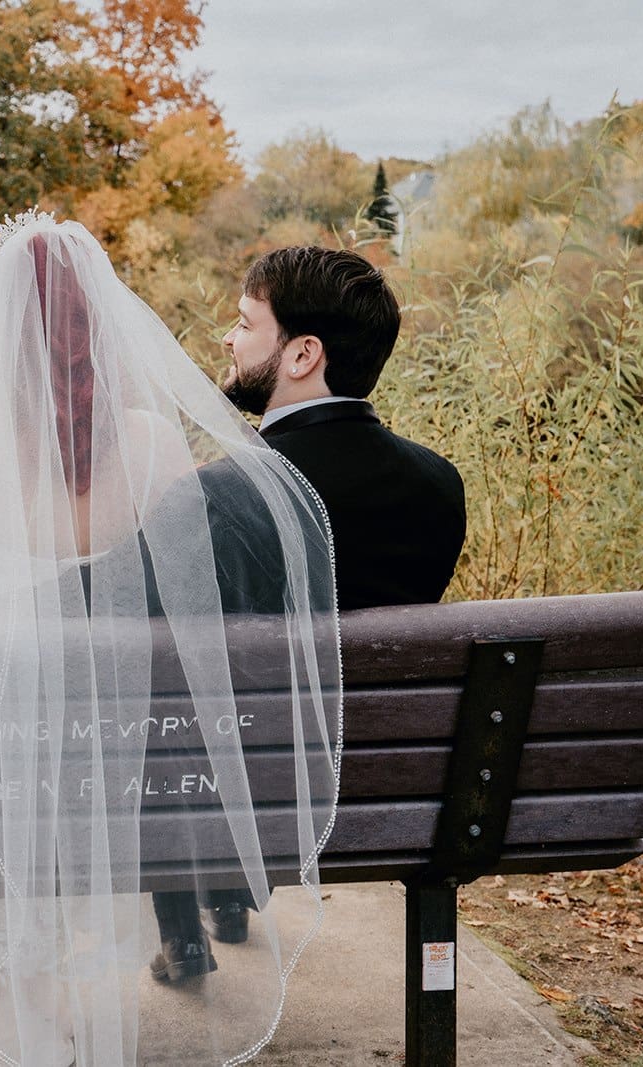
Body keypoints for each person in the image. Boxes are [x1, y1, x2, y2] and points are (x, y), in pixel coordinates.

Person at [0, 211, 341, 1066]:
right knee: (44, 742)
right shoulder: (154, 446)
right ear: (99, 329)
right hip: (76, 776)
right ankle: (30, 1017)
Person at [149, 245, 466, 982]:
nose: (228, 338)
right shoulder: (438, 485)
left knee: (166, 703)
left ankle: (187, 926)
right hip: (394, 803)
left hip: (233, 804)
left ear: (302, 353)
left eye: (244, 322)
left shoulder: (221, 498)